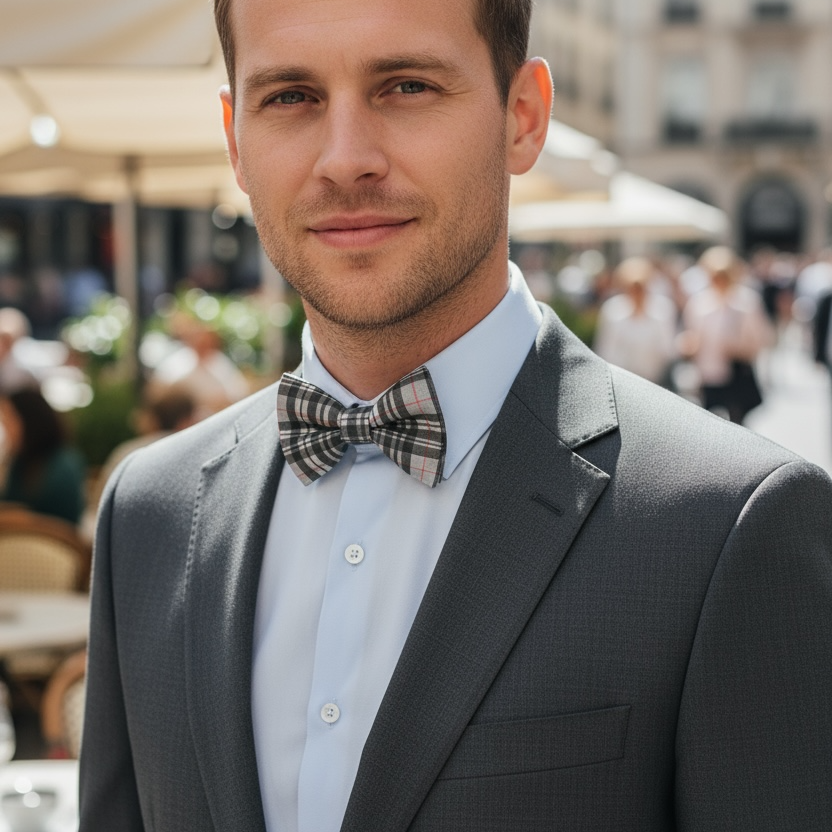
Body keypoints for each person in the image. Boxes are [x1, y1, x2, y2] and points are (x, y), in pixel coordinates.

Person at [79, 0, 832, 829]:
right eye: (290, 96)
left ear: (523, 117)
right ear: (235, 140)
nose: (345, 160)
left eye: (405, 85)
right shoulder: (148, 513)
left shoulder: (730, 525)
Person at [681, 246, 772, 423]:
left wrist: (738, 348)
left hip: (735, 376)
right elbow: (690, 334)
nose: (719, 280)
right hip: (707, 376)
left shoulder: (747, 301)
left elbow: (762, 340)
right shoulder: (699, 303)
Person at [0, 389, 85, 524]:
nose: (6, 431)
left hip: (52, 542)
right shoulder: (19, 461)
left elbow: (65, 522)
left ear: (29, 421)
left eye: (8, 421)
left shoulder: (63, 464)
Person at [593, 256, 677, 386]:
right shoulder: (612, 310)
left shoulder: (663, 309)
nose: (637, 292)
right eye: (632, 287)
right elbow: (606, 351)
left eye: (641, 287)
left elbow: (668, 350)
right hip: (623, 383)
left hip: (658, 383)